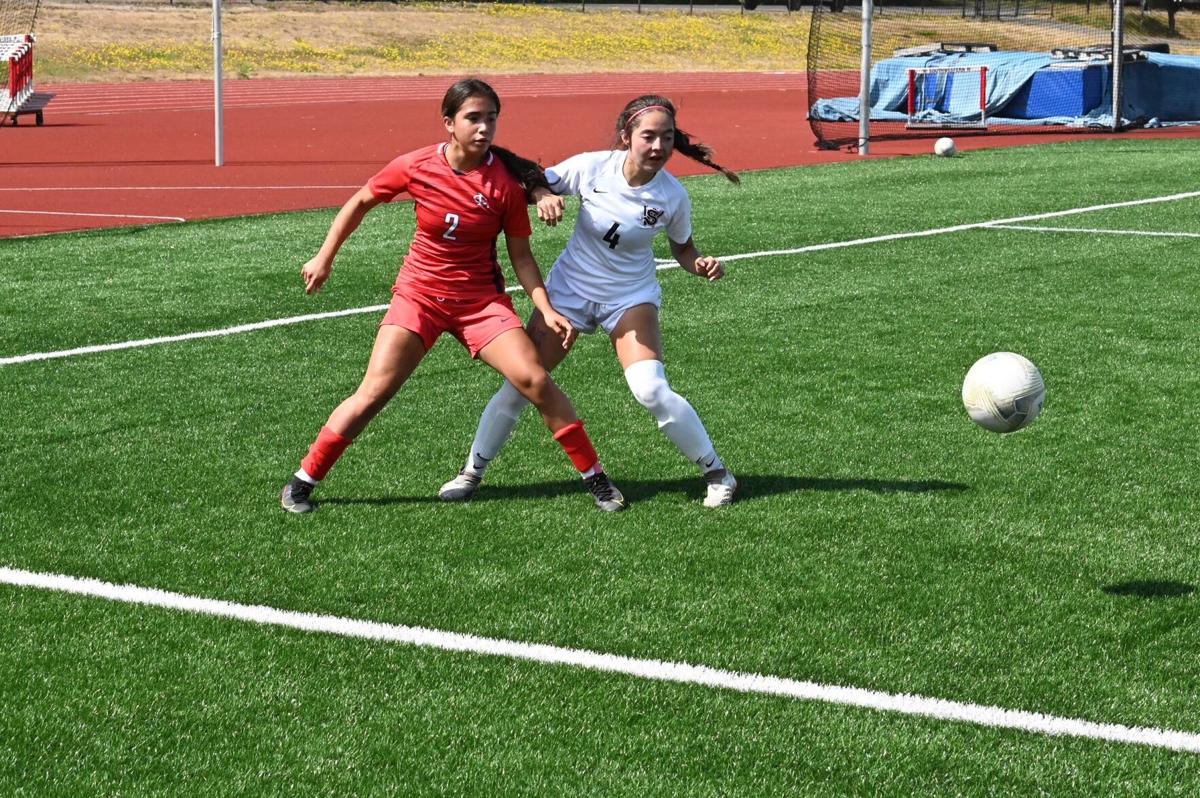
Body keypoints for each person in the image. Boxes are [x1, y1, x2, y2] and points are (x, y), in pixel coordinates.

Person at [280, 78, 627, 514]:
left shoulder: (504, 184)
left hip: (480, 305)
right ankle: (303, 480)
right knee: (374, 391)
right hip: (419, 297)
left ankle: (596, 479)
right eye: (473, 118)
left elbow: (521, 257)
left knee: (535, 380)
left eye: (491, 119)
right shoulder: (416, 165)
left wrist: (546, 309)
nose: (484, 128)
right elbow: (361, 201)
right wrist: (324, 256)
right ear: (448, 123)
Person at [439, 94, 739, 509]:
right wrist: (542, 194)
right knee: (522, 384)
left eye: (667, 138)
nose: (658, 147)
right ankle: (471, 473)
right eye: (649, 136)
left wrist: (700, 264)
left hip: (630, 297)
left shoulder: (673, 196)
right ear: (626, 137)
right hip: (569, 293)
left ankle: (718, 473)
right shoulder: (592, 167)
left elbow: (684, 249)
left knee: (651, 389)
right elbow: (531, 179)